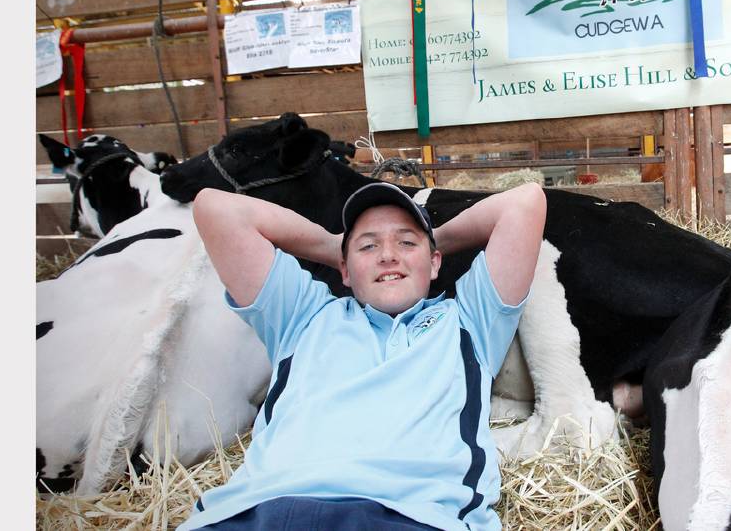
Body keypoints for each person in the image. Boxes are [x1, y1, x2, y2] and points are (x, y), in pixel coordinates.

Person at [176, 181, 547, 531]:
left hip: (410, 517)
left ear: (436, 263)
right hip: (257, 513)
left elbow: (525, 202)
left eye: (405, 243)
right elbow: (216, 208)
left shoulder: (469, 322)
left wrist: (429, 241)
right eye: (368, 247)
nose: (387, 256)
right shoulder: (301, 316)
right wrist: (332, 245)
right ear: (344, 270)